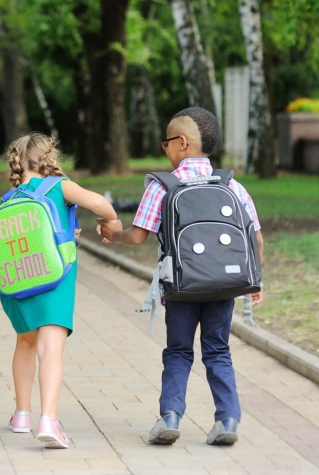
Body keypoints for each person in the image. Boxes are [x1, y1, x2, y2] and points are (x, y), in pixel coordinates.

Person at [97, 107, 265, 445]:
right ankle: (227, 420)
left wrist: (113, 234)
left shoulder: (162, 186)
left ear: (183, 143)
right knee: (218, 351)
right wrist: (254, 282)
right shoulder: (231, 184)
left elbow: (137, 236)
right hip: (225, 285)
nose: (165, 149)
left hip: (181, 285)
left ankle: (170, 417)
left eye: (166, 143)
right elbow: (256, 238)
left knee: (178, 351)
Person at [0, 133, 117, 449]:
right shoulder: (60, 187)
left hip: (18, 284)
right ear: (50, 158)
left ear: (16, 164)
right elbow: (99, 203)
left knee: (25, 343)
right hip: (55, 281)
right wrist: (110, 219)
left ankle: (22, 414)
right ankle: (48, 419)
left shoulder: (9, 200)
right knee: (50, 347)